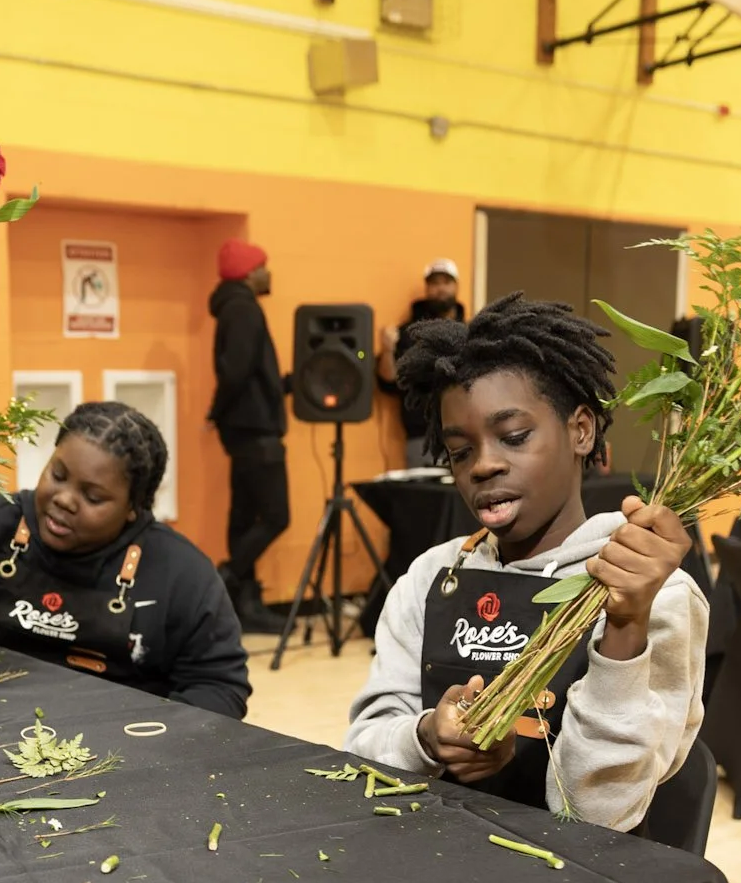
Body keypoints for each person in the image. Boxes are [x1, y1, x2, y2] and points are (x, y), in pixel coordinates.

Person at [344, 293, 707, 829]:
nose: (484, 465)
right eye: (460, 451)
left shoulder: (656, 594)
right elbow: (361, 750)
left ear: (581, 431)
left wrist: (626, 627)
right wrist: (427, 737)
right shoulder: (430, 577)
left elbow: (597, 814)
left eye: (514, 437)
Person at [0, 401, 249, 718]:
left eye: (93, 497)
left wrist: (147, 743)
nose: (64, 499)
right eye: (58, 475)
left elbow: (220, 688)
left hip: (114, 750)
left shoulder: (181, 574)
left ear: (135, 507)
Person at [207, 237, 287, 633]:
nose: (268, 272)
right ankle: (227, 578)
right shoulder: (243, 309)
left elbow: (247, 374)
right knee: (276, 515)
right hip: (255, 430)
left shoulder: (233, 308)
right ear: (249, 272)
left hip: (244, 428)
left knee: (244, 517)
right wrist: (216, 410)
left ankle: (244, 605)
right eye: (264, 265)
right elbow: (236, 371)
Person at [375, 258, 468, 466]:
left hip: (466, 434)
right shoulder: (407, 334)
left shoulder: (470, 332)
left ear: (456, 286)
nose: (440, 289)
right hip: (422, 438)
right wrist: (388, 349)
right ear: (427, 288)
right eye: (434, 283)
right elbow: (389, 383)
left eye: (446, 282)